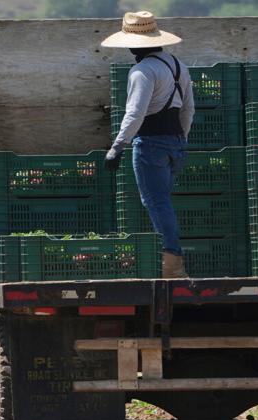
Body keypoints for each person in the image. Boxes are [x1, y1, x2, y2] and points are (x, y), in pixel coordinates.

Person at [102, 11, 194, 278]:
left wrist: (117, 146)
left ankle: (172, 266)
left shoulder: (142, 71)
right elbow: (188, 109)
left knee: (157, 202)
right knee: (162, 201)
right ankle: (166, 260)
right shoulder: (178, 66)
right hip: (175, 142)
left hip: (151, 143)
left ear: (134, 43)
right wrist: (181, 139)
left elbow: (135, 113)